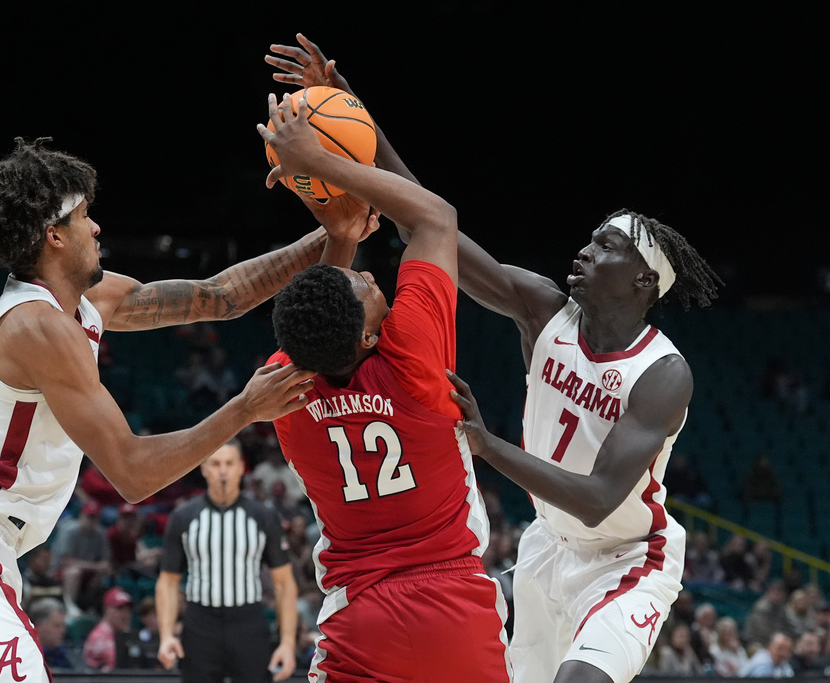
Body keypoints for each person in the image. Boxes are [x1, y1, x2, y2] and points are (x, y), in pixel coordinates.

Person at [268, 32, 718, 683]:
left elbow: (596, 500)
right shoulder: (540, 307)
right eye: (591, 237)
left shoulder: (663, 371)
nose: (587, 248)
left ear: (644, 282)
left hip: (624, 558)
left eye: (609, 246)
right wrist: (354, 118)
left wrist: (486, 444)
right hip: (542, 550)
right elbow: (425, 226)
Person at [0, 136, 324, 682]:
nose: (98, 227)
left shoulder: (87, 303)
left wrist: (332, 231)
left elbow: (217, 296)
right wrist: (244, 409)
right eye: (86, 216)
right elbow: (132, 472)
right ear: (53, 235)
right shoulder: (36, 325)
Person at [262, 43, 511, 681]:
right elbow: (435, 218)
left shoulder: (285, 398)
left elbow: (308, 332)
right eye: (369, 290)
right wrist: (321, 160)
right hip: (454, 603)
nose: (374, 282)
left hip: (359, 616)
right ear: (373, 336)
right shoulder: (412, 358)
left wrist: (339, 238)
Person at [156, 439, 299, 682]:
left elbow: (284, 583)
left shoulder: (262, 517)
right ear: (203, 468)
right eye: (216, 463)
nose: (223, 470)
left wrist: (287, 643)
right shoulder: (183, 517)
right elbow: (168, 582)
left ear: (241, 467)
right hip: (200, 623)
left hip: (248, 622)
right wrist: (166, 635)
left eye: (229, 463)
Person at [56, 500, 113, 616]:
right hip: (61, 571)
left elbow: (106, 561)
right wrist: (95, 567)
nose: (91, 521)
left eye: (94, 517)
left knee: (106, 571)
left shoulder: (100, 534)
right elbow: (67, 561)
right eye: (89, 517)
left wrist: (98, 568)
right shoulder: (69, 530)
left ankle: (91, 605)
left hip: (87, 573)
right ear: (81, 515)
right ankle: (69, 607)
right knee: (74, 572)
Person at [82, 587, 134, 672]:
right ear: (107, 610)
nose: (126, 615)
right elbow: (117, 662)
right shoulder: (98, 636)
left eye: (128, 610)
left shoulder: (125, 634)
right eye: (120, 609)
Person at [26, 597, 77, 672]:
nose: (62, 631)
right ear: (38, 626)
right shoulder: (26, 657)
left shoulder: (63, 657)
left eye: (63, 625)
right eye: (56, 626)